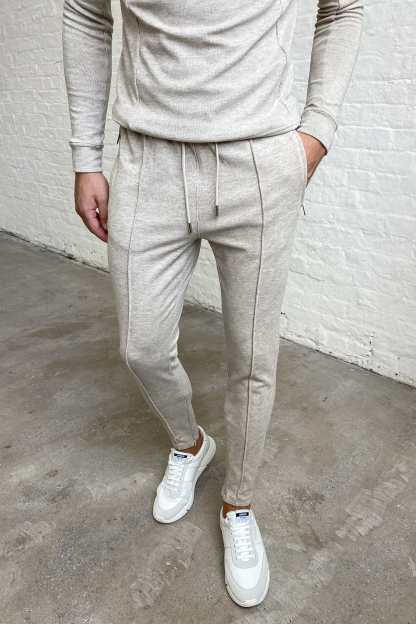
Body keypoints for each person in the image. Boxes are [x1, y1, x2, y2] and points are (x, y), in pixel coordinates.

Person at [62, 0, 363, 608]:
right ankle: (191, 443)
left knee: (252, 359)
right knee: (142, 347)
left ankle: (238, 504)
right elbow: (85, 13)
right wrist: (85, 157)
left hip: (258, 163)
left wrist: (318, 130)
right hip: (147, 160)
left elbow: (343, 8)